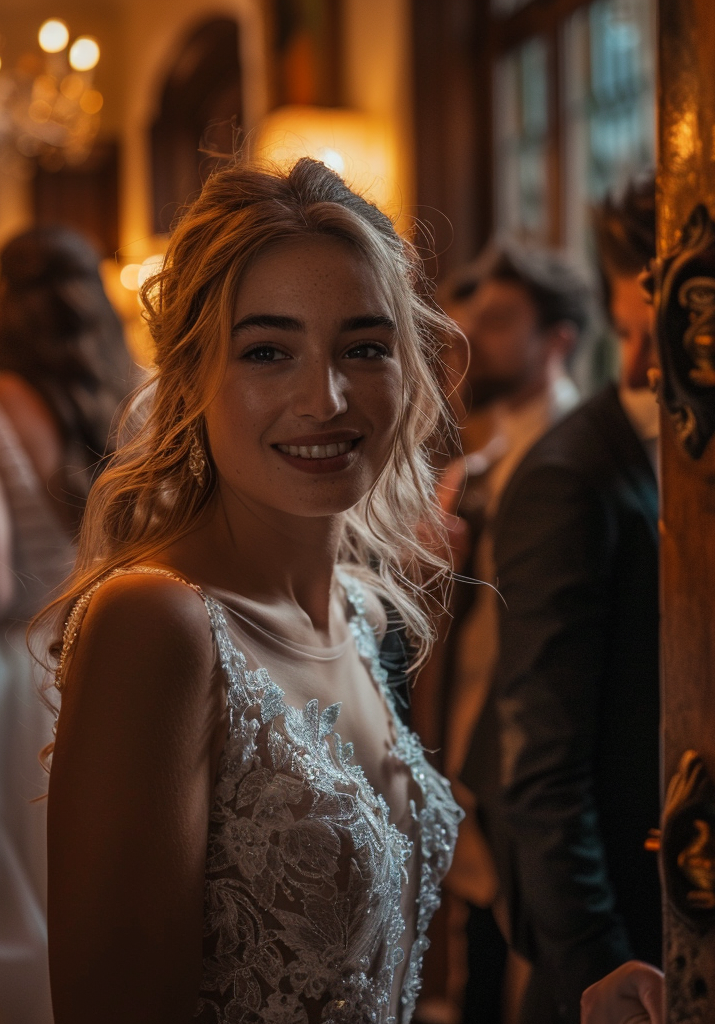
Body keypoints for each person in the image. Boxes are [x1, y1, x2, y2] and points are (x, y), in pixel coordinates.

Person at [37, 157, 465, 1023]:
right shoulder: (158, 625)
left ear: (409, 369)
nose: (326, 397)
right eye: (268, 351)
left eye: (364, 348)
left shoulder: (361, 611)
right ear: (192, 379)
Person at [0, 226, 136, 1024]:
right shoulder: (133, 400)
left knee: (35, 897)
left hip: (26, 687)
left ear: (5, 305)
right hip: (120, 662)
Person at [460, 175, 662, 1024]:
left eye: (661, 333)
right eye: (626, 333)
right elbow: (544, 767)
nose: (642, 365)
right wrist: (594, 965)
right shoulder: (564, 477)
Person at [413, 244, 592, 1024]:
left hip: (528, 757)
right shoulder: (483, 458)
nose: (469, 336)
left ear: (558, 339)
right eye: (469, 318)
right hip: (469, 741)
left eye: (497, 322)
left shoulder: (565, 460)